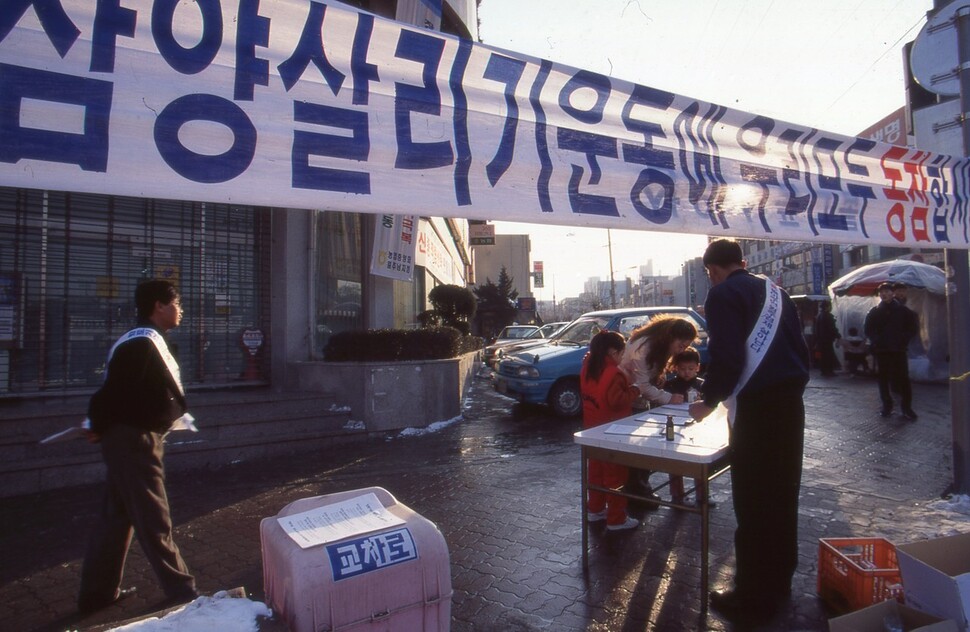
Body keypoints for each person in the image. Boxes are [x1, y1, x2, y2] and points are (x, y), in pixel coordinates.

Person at [688, 239, 810, 624]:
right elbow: (801, 351)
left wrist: (707, 400)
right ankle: (779, 581)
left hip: (758, 412)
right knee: (783, 497)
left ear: (712, 271)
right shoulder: (778, 293)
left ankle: (751, 596)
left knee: (754, 503)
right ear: (742, 261)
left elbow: (729, 357)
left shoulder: (723, 295)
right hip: (791, 406)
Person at [78, 280, 199, 614]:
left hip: (127, 439)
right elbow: (112, 392)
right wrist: (96, 422)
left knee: (116, 518)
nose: (181, 309)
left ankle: (97, 593)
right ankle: (183, 590)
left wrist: (99, 423)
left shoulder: (142, 340)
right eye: (177, 302)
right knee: (153, 518)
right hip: (135, 441)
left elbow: (118, 391)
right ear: (158, 305)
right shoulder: (142, 343)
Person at [619, 316, 697, 509]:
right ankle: (638, 493)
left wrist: (659, 378)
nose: (680, 351)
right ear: (670, 337)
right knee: (637, 449)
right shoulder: (644, 348)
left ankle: (640, 490)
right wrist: (668, 398)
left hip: (637, 397)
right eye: (680, 345)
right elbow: (642, 385)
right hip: (629, 398)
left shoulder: (656, 342)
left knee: (640, 447)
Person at [580, 330, 642, 532]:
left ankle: (595, 509)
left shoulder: (588, 365)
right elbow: (617, 401)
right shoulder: (613, 373)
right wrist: (635, 390)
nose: (624, 356)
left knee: (595, 472)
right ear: (613, 351)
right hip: (613, 430)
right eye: (622, 351)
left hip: (593, 427)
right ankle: (616, 518)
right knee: (615, 476)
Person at [864, 281, 919, 420]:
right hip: (883, 351)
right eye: (882, 292)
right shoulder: (875, 311)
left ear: (892, 293)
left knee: (904, 379)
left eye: (887, 291)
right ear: (879, 294)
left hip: (899, 350)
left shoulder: (903, 311)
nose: (884, 294)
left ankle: (907, 407)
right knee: (883, 380)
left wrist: (903, 339)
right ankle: (887, 406)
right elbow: (868, 329)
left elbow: (912, 328)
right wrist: (877, 340)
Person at [662, 347, 706, 505]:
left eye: (691, 369)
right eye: (682, 369)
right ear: (675, 368)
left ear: (697, 368)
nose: (686, 372)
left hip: (697, 427)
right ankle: (677, 494)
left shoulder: (703, 385)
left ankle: (702, 494)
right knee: (674, 460)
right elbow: (661, 403)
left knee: (699, 460)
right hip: (674, 425)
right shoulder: (670, 385)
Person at [814, 301, 841, 377]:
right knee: (829, 355)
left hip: (821, 339)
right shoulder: (828, 316)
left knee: (823, 356)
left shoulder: (819, 316)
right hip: (827, 339)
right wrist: (838, 335)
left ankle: (824, 370)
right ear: (827, 307)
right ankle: (829, 370)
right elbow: (832, 328)